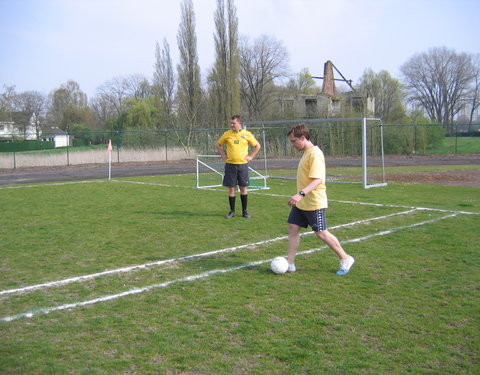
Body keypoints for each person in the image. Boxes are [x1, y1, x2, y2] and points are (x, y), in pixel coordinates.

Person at [286, 123, 355, 275]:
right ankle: (289, 264)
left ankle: (345, 258)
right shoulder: (306, 152)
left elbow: (317, 180)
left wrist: (300, 194)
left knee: (321, 233)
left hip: (314, 201)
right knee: (293, 228)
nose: (292, 145)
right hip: (302, 203)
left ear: (303, 138)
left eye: (293, 141)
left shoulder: (315, 154)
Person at [216, 115, 261, 219]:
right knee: (231, 188)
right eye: (231, 123)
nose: (232, 125)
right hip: (230, 165)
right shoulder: (227, 134)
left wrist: (251, 156)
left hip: (242, 166)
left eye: (233, 123)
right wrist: (223, 155)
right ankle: (232, 211)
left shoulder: (247, 134)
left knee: (243, 188)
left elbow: (257, 146)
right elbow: (218, 145)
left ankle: (245, 211)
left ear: (239, 124)